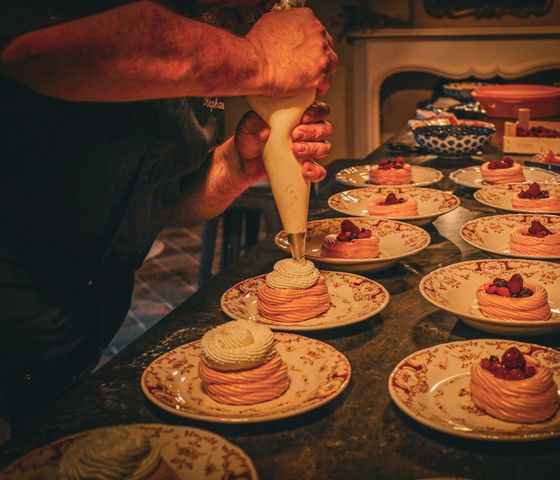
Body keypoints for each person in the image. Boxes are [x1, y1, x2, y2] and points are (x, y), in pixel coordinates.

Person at [0, 0, 337, 432]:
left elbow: (166, 200)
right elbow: (38, 40)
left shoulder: (201, 31)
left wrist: (237, 164)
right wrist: (260, 60)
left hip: (74, 328)